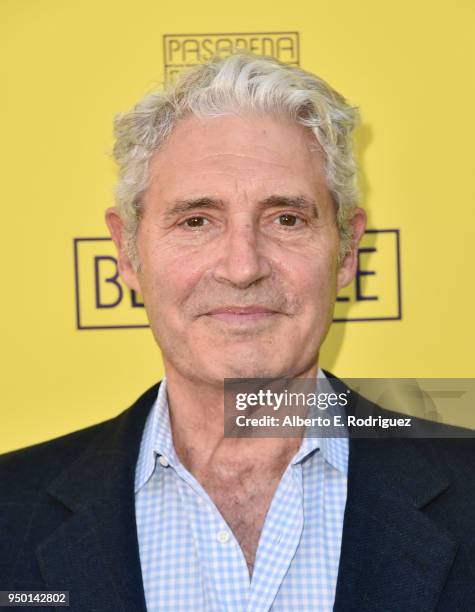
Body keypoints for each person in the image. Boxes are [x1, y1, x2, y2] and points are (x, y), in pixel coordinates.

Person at [1, 53, 474, 612]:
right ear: (127, 253)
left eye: (286, 219)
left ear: (347, 251)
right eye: (196, 220)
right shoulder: (10, 510)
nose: (243, 266)